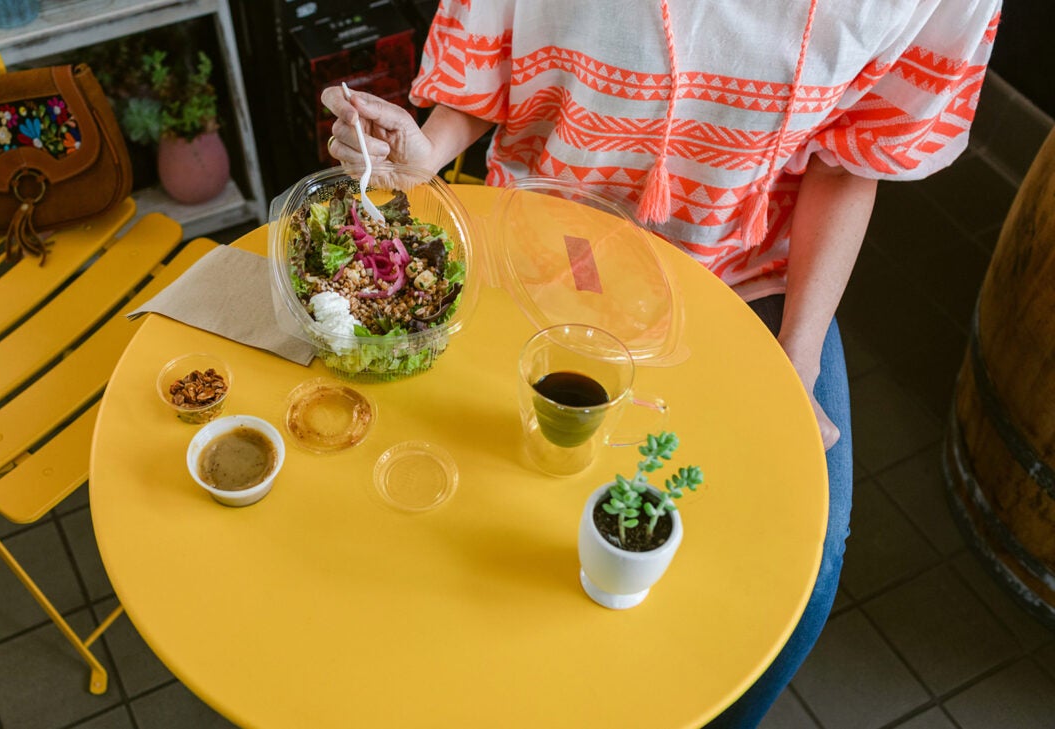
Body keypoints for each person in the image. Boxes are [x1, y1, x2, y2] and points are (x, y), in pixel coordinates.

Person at [322, 0, 1001, 725]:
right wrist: (428, 153)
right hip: (543, 256)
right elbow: (486, 69)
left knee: (808, 560)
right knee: (488, 510)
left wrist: (794, 364)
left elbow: (849, 158)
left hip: (748, 279)